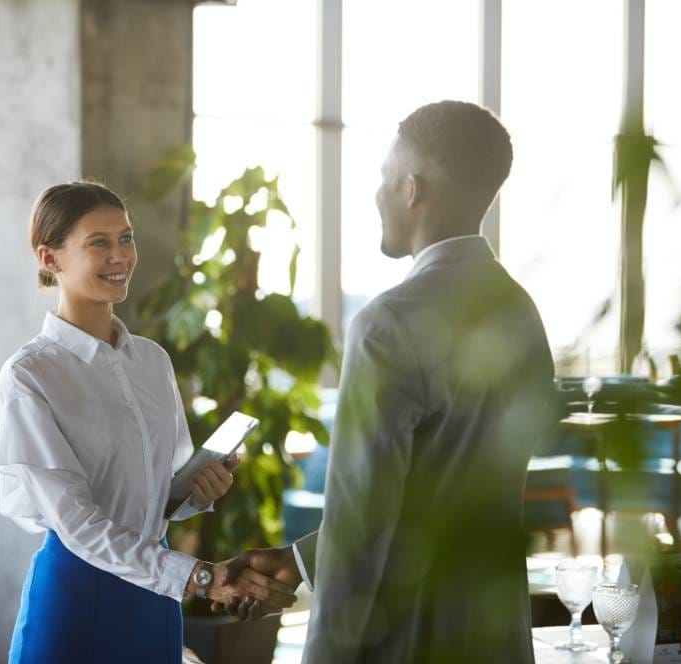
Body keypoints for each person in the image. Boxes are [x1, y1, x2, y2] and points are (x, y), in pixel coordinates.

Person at [217, 101, 556, 663]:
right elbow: (441, 496)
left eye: (383, 179)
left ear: (411, 189)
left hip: (408, 640)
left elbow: (362, 525)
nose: (376, 195)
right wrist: (300, 561)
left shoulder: (388, 323)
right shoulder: (520, 311)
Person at [0, 181, 296, 664]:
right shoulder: (30, 375)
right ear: (50, 259)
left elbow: (159, 494)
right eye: (99, 243)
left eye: (126, 238)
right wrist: (198, 576)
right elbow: (77, 523)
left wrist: (199, 488)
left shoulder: (153, 361)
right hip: (77, 597)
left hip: (154, 602)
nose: (120, 255)